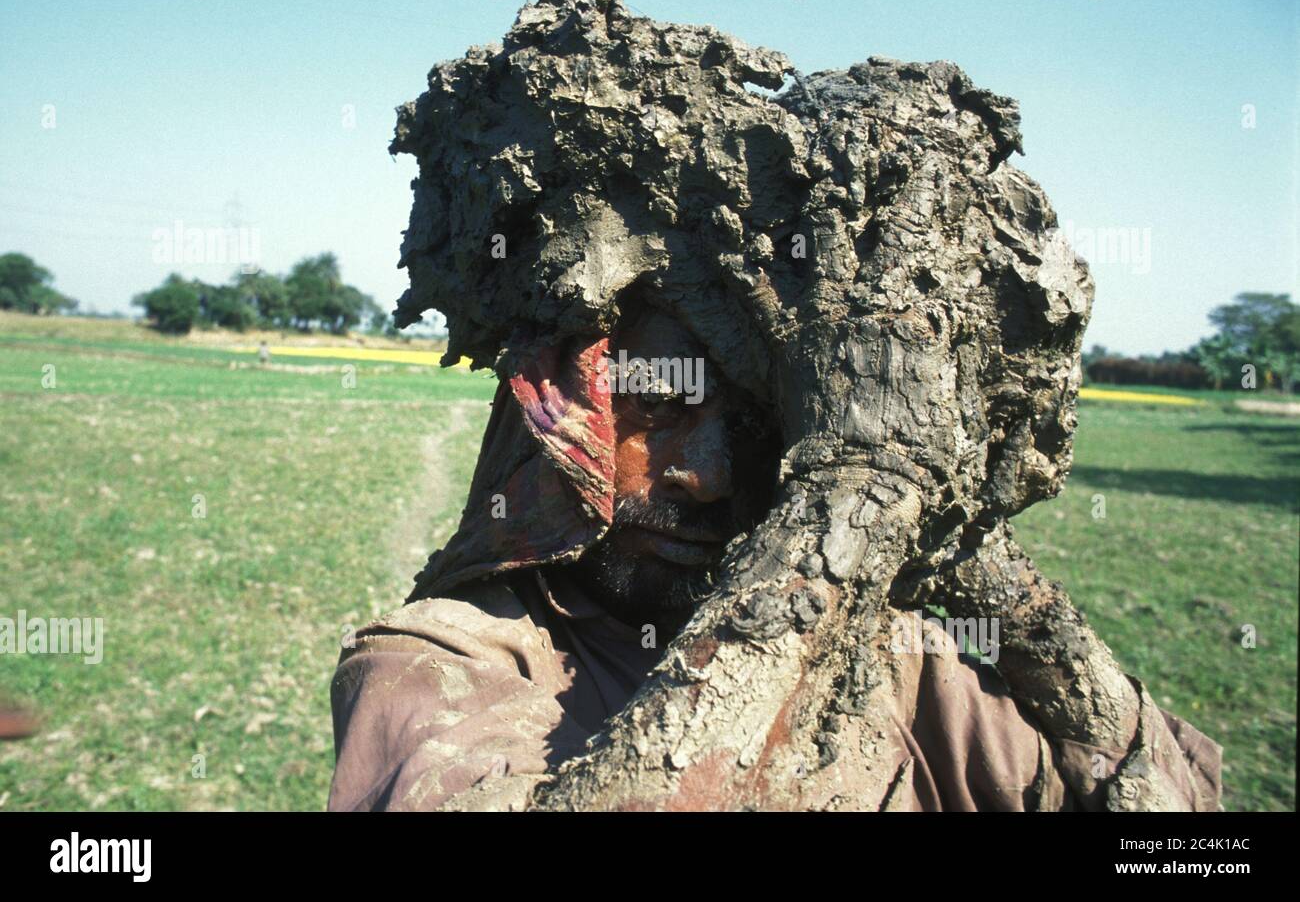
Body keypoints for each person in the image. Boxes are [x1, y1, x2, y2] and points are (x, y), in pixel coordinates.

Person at [326, 296, 1222, 811]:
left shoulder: (903, 664)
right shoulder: (443, 659)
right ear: (553, 419)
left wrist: (1008, 593)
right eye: (658, 410)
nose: (711, 477)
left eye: (753, 424)